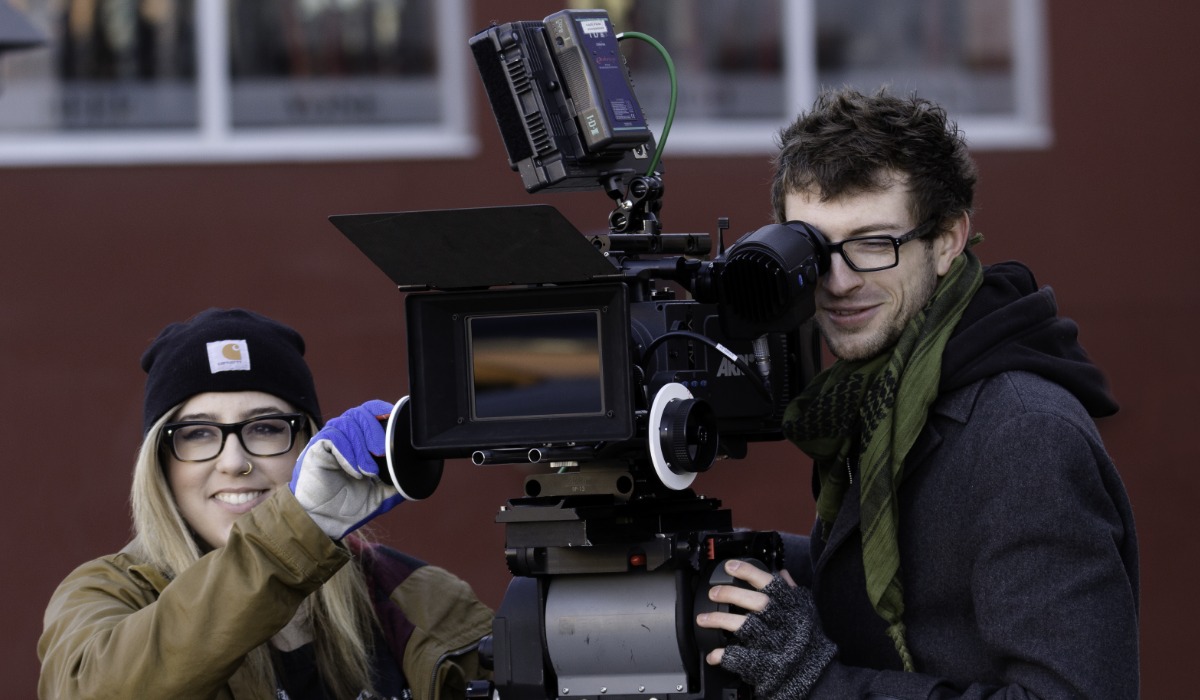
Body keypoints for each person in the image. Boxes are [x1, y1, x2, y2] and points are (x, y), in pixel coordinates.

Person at [695, 88, 1139, 698]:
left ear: (949, 240)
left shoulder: (1024, 436)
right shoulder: (875, 398)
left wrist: (816, 681)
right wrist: (744, 564)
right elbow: (931, 595)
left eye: (875, 243)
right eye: (815, 249)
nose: (841, 282)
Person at [38, 308, 493, 700]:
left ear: (309, 445)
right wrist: (296, 531)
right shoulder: (111, 594)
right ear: (160, 465)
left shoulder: (417, 596)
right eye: (198, 434)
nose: (234, 462)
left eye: (266, 428)